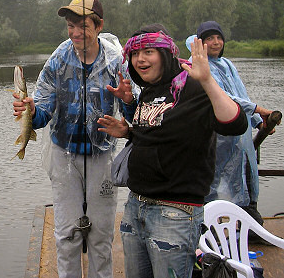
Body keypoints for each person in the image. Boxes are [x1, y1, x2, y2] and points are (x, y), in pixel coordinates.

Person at [97, 28, 248, 278]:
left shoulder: (191, 84)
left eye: (149, 52)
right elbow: (162, 133)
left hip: (175, 212)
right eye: (134, 54)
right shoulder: (150, 89)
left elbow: (236, 123)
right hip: (137, 206)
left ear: (166, 54)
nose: (140, 60)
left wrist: (207, 81)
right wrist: (128, 127)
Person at [12, 0, 137, 278]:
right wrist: (32, 109)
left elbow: (134, 111)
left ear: (99, 25)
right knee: (67, 234)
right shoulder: (59, 59)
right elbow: (43, 111)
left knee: (101, 235)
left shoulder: (117, 61)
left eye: (83, 25)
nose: (75, 32)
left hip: (101, 156)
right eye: (71, 25)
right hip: (63, 155)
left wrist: (127, 101)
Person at [186, 21, 274, 225]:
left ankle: (249, 225)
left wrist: (257, 121)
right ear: (201, 43)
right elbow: (221, 95)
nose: (216, 42)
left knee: (246, 177)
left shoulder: (226, 64)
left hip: (238, 136)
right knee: (215, 183)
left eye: (219, 38)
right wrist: (256, 109)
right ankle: (209, 229)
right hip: (216, 135)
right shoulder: (198, 63)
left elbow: (240, 93)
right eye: (209, 39)